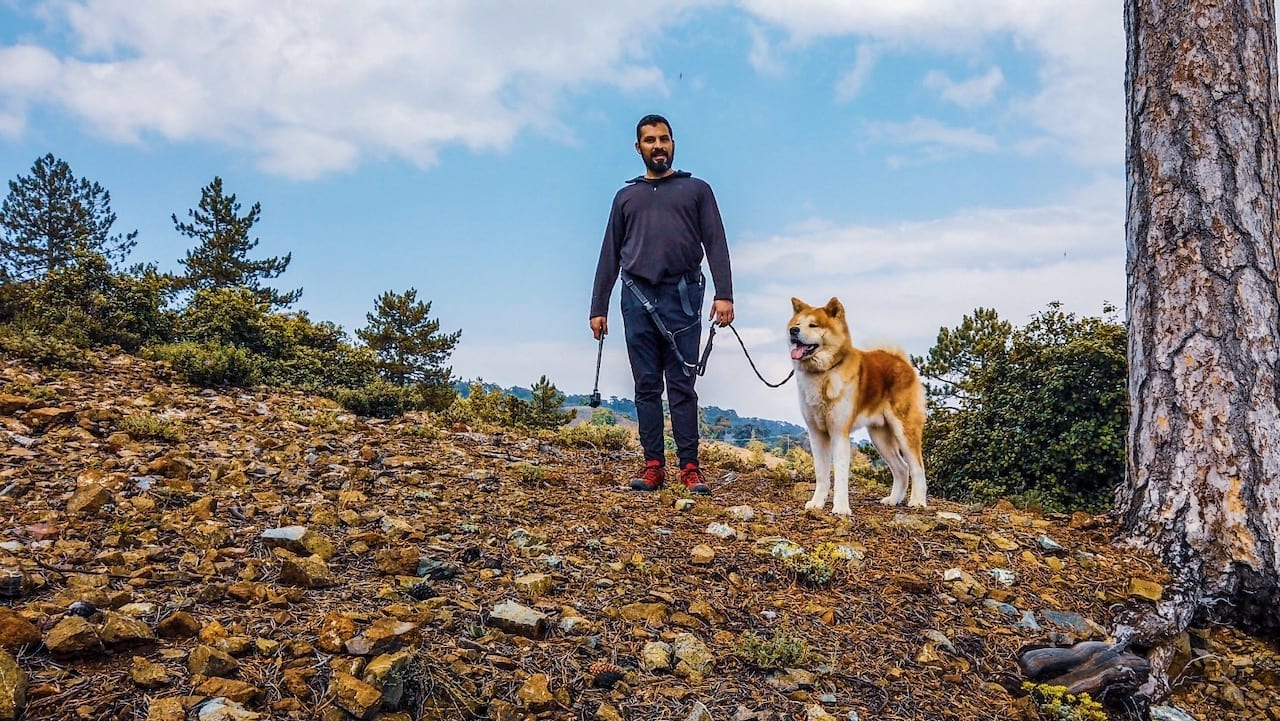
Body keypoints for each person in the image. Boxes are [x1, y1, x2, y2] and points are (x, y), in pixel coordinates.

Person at [589, 113, 734, 495]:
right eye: (650, 140)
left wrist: (725, 294)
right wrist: (597, 307)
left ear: (673, 144)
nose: (658, 146)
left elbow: (716, 243)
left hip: (683, 300)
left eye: (664, 139)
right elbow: (609, 255)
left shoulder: (697, 190)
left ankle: (690, 467)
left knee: (682, 387)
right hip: (636, 299)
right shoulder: (626, 197)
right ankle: (653, 465)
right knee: (647, 386)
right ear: (639, 148)